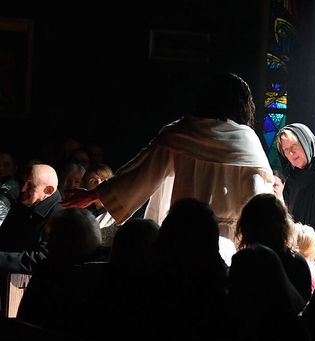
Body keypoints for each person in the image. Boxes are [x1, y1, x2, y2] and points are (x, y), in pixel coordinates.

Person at [62, 72, 273, 240]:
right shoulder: (247, 141)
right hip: (229, 239)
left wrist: (95, 194)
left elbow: (140, 174)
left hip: (183, 233)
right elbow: (258, 197)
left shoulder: (180, 134)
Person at [0, 164, 63, 313]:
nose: (23, 189)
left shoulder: (59, 218)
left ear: (48, 191)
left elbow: (41, 259)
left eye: (30, 186)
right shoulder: (23, 205)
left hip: (31, 296)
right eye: (24, 183)